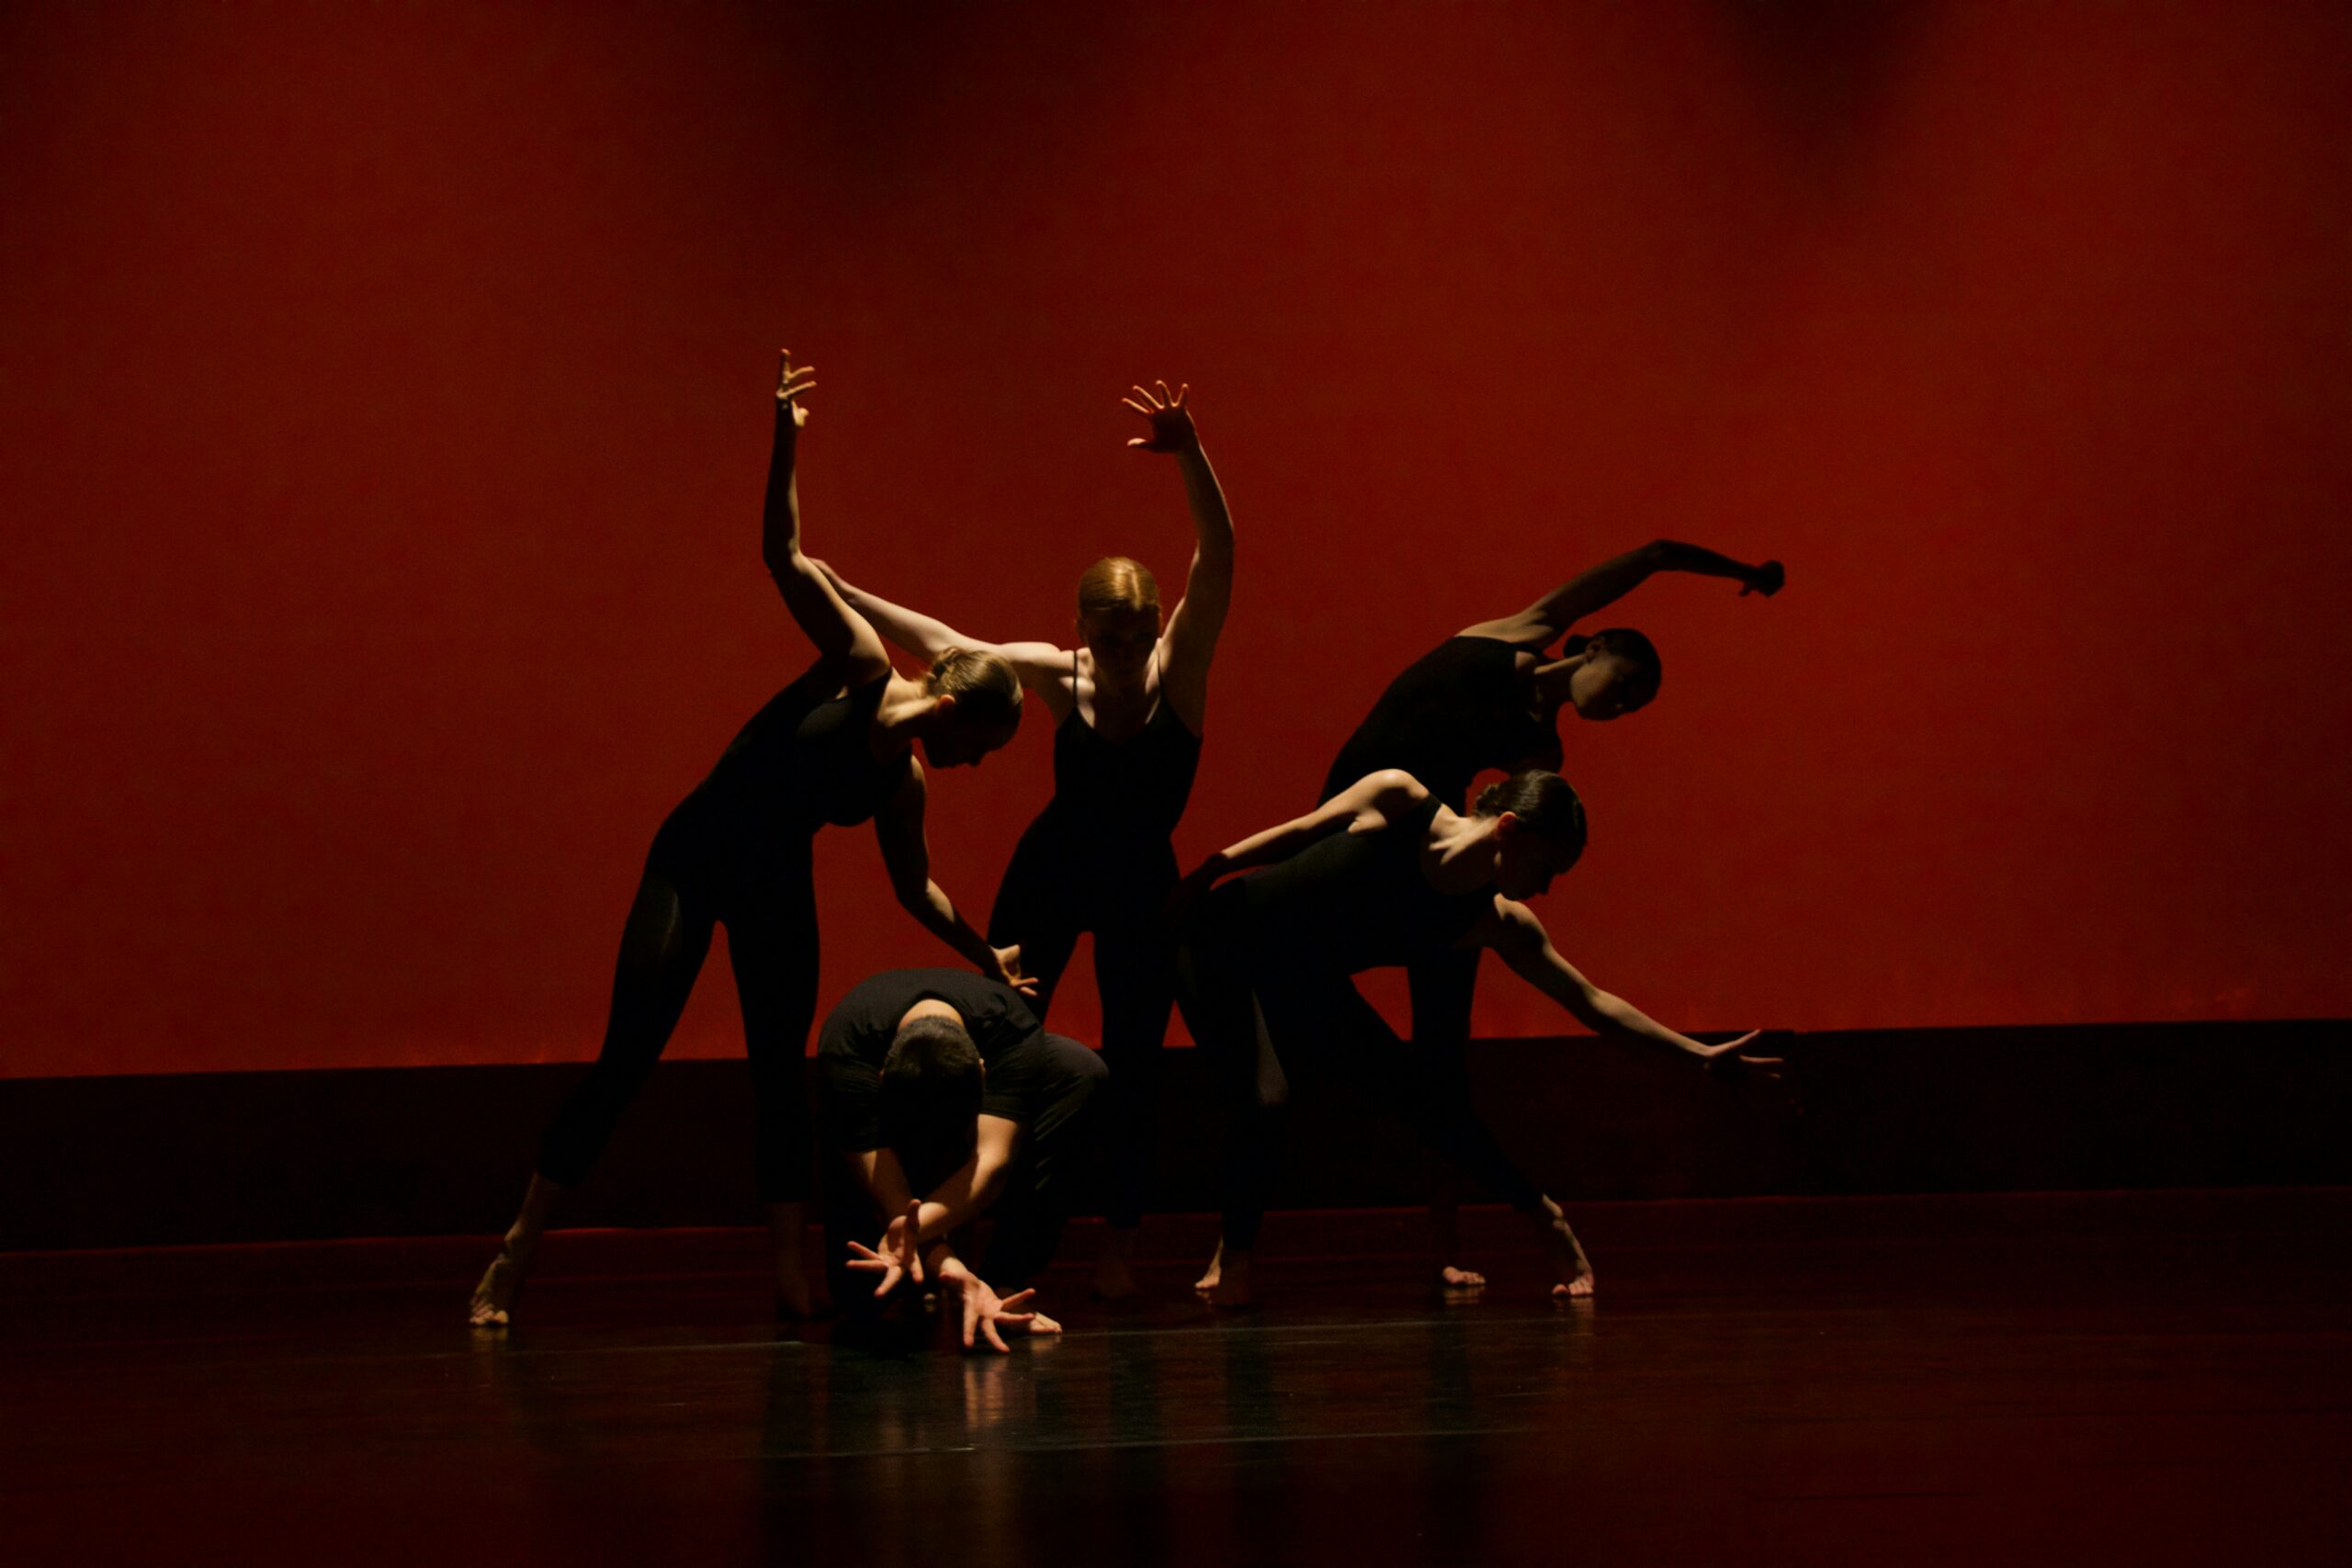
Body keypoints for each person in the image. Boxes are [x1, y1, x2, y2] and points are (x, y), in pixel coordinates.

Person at [469, 354, 1032, 1328]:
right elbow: (783, 553)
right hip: (694, 856)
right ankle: (512, 1257)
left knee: (782, 1074)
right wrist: (784, 440)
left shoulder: (899, 783)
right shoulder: (856, 665)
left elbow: (915, 891)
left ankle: (786, 1278)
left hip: (775, 879)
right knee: (627, 1058)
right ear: (949, 704)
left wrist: (984, 952)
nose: (974, 767)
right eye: (979, 748)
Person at [821, 379, 1234, 1299]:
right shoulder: (1062, 675)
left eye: (1140, 637)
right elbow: (945, 642)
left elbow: (1219, 557)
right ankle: (954, 1221)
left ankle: (1117, 1245)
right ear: (1082, 632)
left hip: (1139, 885)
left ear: (1157, 628)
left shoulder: (1182, 672)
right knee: (999, 1034)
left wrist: (1189, 454)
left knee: (1132, 1064)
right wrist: (841, 590)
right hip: (1053, 868)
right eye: (1110, 639)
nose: (1127, 655)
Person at [1321, 539, 1783, 1289]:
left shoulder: (1541, 754)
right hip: (1348, 821)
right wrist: (1743, 572)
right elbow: (1655, 554)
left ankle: (1446, 1238)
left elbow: (1510, 829)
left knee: (1442, 1056)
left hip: (1425, 858)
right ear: (1594, 645)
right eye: (1626, 682)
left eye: (1634, 705)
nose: (1622, 704)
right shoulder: (1520, 633)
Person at [1172, 766, 1781, 1306]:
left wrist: (1700, 1055)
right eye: (1546, 868)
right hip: (1217, 941)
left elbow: (1592, 1002)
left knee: (1420, 1098)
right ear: (1509, 828)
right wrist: (1208, 870)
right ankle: (1237, 1264)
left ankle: (1545, 1215)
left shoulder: (1495, 922)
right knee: (1265, 1096)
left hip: (1300, 976)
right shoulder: (1400, 797)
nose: (1545, 888)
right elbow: (1300, 832)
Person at [819, 967, 1107, 1351]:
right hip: (888, 1133)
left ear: (983, 1073)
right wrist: (950, 1266)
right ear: (883, 1077)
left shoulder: (1010, 1029)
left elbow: (991, 1166)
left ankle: (1007, 1277)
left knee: (1080, 1069)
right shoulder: (847, 1047)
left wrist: (924, 1243)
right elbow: (888, 1196)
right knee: (861, 1298)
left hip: (970, 1107)